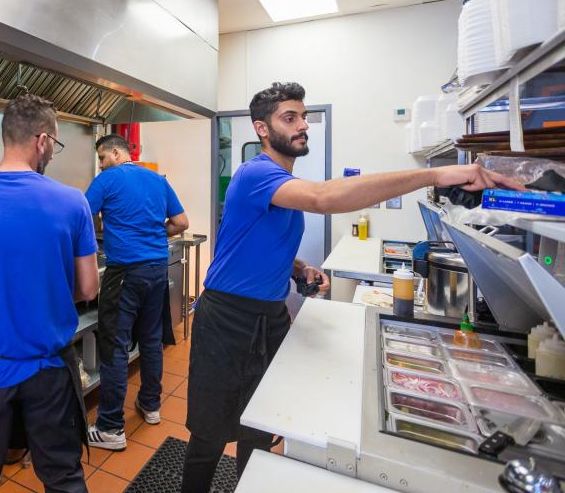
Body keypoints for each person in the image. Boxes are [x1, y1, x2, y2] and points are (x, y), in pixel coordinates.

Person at [180, 82, 524, 493]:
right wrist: (432, 174)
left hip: (268, 315)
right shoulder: (256, 172)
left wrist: (296, 269)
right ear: (261, 129)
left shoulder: (282, 181)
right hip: (228, 318)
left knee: (258, 423)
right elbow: (324, 198)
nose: (302, 125)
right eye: (289, 118)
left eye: (303, 116)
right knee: (210, 431)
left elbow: (252, 239)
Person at [0, 93, 100, 493]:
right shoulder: (71, 202)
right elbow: (88, 287)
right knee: (62, 477)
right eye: (56, 144)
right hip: (51, 371)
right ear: (42, 141)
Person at [83, 134, 189, 451]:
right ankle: (151, 406)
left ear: (116, 153)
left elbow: (80, 217)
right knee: (151, 340)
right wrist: (154, 232)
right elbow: (181, 222)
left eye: (102, 158)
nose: (100, 165)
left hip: (125, 272)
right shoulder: (157, 179)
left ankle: (110, 427)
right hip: (156, 269)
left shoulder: (106, 180)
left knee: (115, 347)